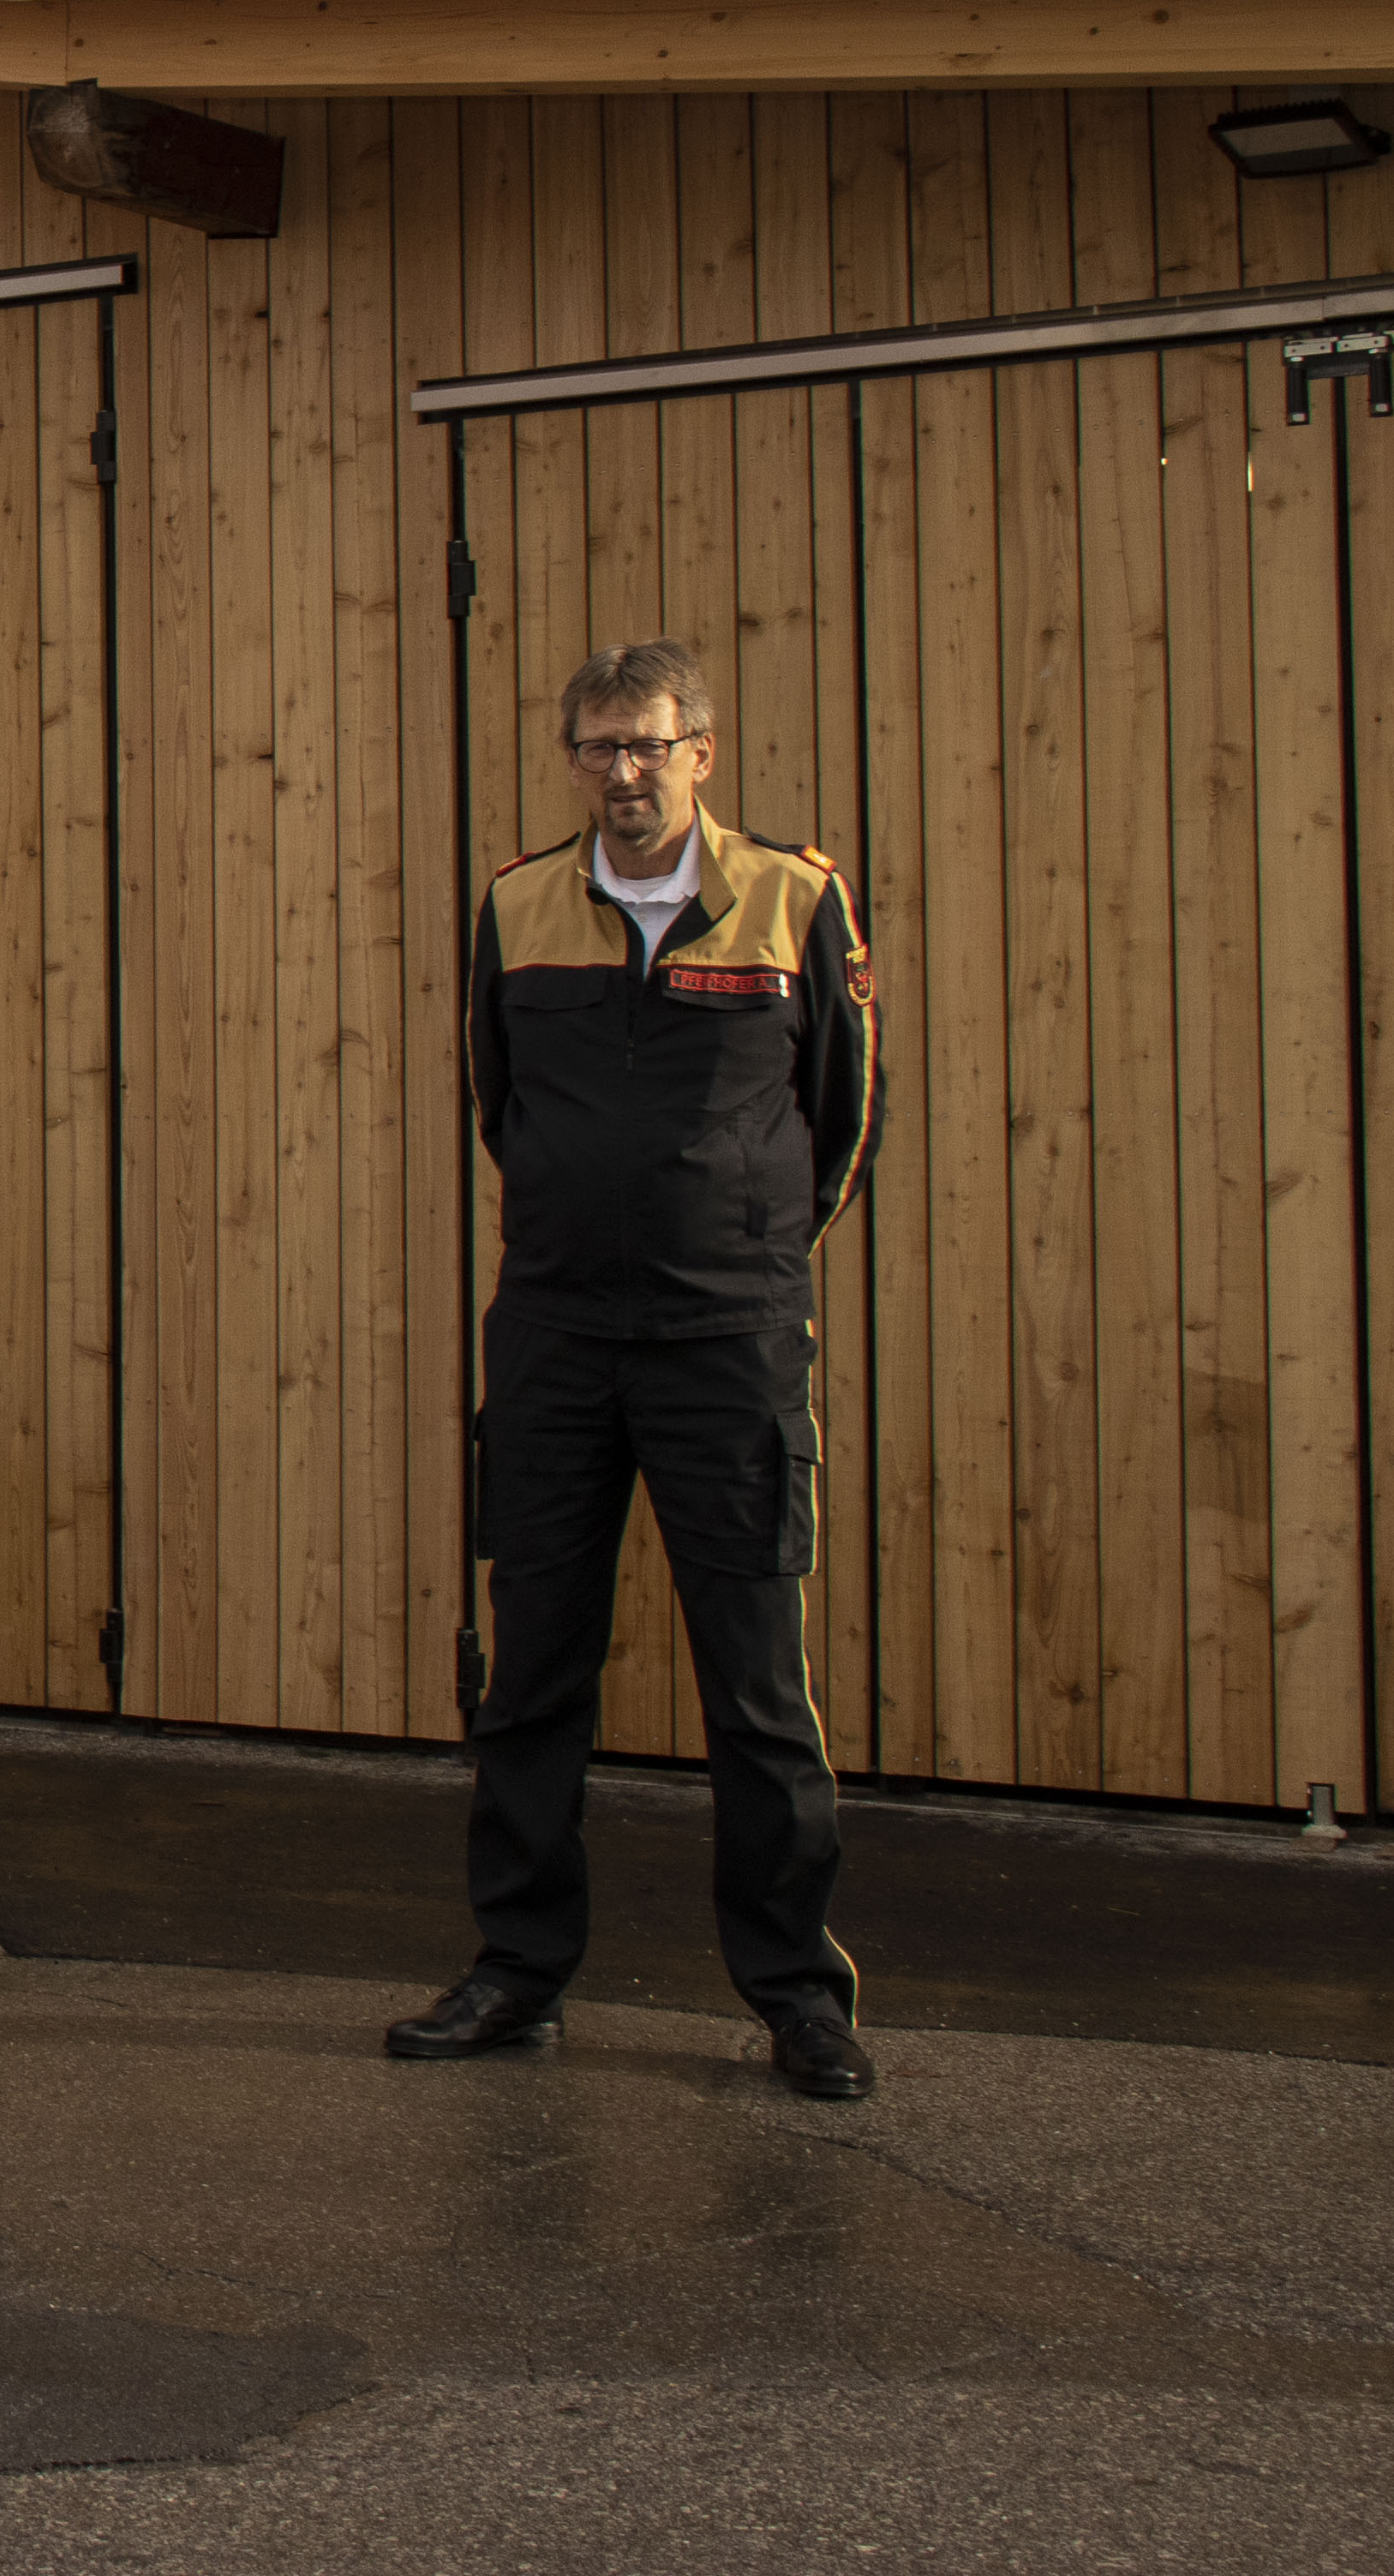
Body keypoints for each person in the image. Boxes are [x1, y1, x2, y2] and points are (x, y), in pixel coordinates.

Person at [392, 640, 882, 2099]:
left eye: (647, 748)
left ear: (702, 753)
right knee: (534, 1672)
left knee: (758, 1686)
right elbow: (501, 1105)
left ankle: (798, 1993)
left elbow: (839, 1123)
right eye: (596, 750)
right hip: (552, 1341)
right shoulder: (515, 906)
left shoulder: (795, 900)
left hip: (730, 1346)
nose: (622, 776)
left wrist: (735, 1257)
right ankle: (519, 1973)